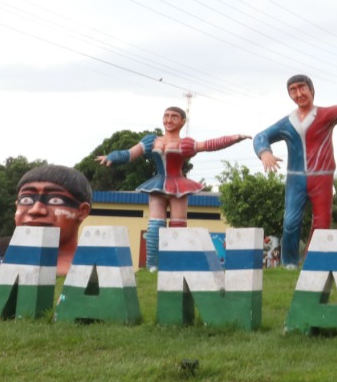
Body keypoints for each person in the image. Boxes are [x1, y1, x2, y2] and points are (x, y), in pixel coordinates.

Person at [97, 106, 245, 270]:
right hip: (158, 185)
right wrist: (112, 157)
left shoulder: (186, 143)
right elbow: (130, 153)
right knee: (154, 226)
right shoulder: (152, 141)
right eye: (166, 116)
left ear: (183, 121)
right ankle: (152, 265)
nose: (169, 120)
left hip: (178, 187)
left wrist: (235, 138)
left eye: (174, 117)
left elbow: (210, 145)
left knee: (178, 226)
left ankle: (176, 263)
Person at [254, 75, 337, 268]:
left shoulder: (324, 115)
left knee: (322, 221)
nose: (298, 93)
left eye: (302, 88)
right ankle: (289, 263)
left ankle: (313, 262)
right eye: (293, 90)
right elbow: (261, 136)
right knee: (290, 222)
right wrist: (264, 153)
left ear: (312, 90)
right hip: (296, 178)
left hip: (322, 177)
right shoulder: (287, 122)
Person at [13, 164, 93, 275]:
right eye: (26, 200)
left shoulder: (94, 272)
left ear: (82, 211)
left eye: (55, 200)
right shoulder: (2, 266)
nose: (36, 210)